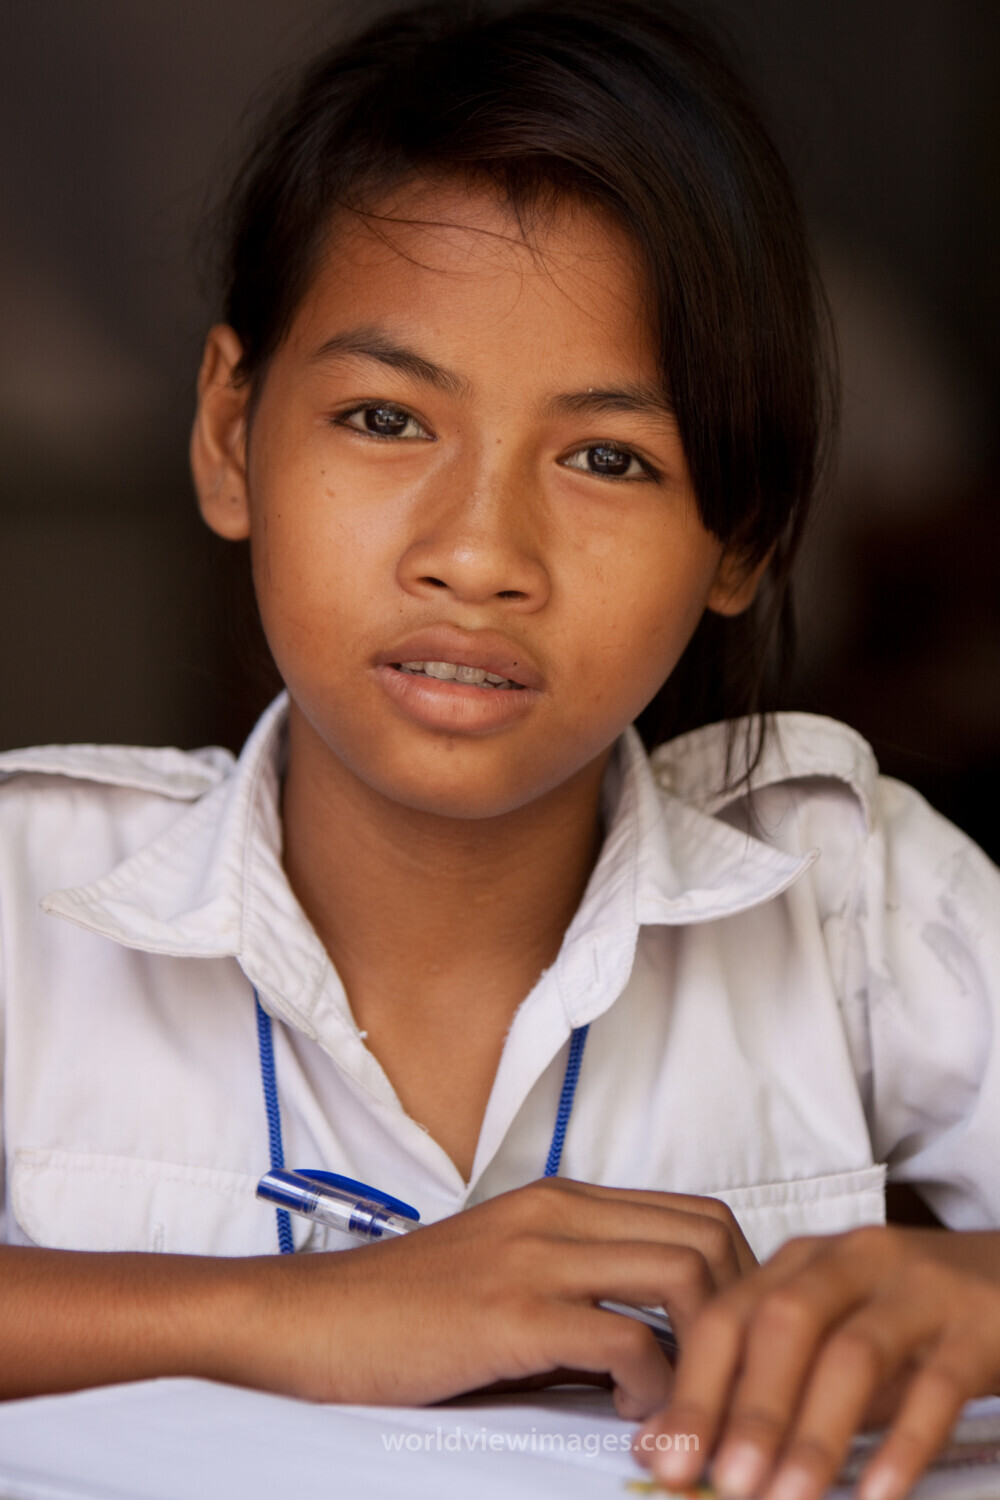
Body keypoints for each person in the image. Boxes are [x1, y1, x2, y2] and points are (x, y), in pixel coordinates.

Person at [1, 2, 998, 1496]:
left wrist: (972, 1292)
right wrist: (301, 1315)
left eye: (607, 457)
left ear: (744, 535)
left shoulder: (852, 901)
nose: (478, 554)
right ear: (229, 435)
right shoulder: (28, 898)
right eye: (386, 417)